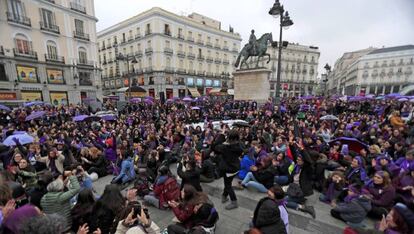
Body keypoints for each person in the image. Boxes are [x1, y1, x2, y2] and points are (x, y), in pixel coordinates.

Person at [214, 130, 243, 210]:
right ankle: (224, 196)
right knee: (228, 182)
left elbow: (215, 146)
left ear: (229, 138)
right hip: (235, 167)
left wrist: (221, 135)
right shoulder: (239, 146)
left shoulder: (225, 147)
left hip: (228, 169)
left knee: (228, 185)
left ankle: (234, 201)